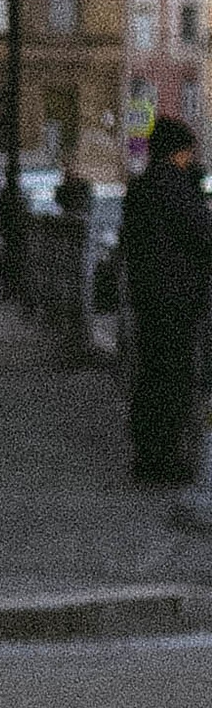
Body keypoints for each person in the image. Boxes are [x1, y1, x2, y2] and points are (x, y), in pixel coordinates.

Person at [119, 112, 212, 487]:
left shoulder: (142, 188)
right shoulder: (174, 187)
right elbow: (203, 234)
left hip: (150, 295)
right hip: (175, 299)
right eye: (188, 152)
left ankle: (148, 455)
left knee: (151, 375)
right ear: (179, 152)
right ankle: (165, 458)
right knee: (173, 380)